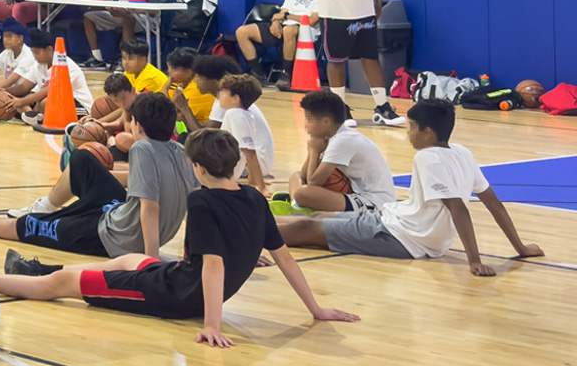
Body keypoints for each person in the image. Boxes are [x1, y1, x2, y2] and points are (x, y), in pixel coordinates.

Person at [0, 130, 358, 347]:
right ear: (235, 165)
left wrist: (211, 325)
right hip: (180, 282)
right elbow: (285, 259)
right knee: (130, 261)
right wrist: (316, 309)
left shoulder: (201, 199)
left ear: (198, 168)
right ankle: (37, 271)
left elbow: (213, 265)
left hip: (173, 295)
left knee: (61, 284)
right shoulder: (252, 196)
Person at [277, 100, 543, 274]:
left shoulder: (427, 157)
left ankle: (249, 232)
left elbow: (457, 208)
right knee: (317, 216)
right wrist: (519, 247)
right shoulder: (462, 152)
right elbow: (492, 201)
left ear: (427, 131)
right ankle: (255, 222)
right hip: (395, 219)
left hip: (402, 238)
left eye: (412, 127)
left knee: (305, 228)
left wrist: (474, 260)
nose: (408, 133)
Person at [0, 92, 192, 249]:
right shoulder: (182, 151)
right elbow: (194, 203)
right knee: (83, 158)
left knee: (31, 226)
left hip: (116, 237)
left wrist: (151, 259)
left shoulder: (141, 148)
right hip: (126, 220)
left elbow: (149, 207)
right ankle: (49, 203)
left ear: (137, 126)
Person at [282, 90, 398, 214]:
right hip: (357, 192)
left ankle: (299, 207)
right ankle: (298, 206)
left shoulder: (343, 140)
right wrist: (312, 153)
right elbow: (305, 176)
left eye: (309, 120)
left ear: (326, 121)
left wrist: (314, 151)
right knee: (296, 176)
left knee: (304, 193)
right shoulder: (334, 135)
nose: (305, 125)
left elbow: (313, 183)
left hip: (375, 202)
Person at [12, 29, 94, 128]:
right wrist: (3, 91)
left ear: (50, 50)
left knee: (44, 102)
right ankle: (33, 115)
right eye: (33, 52)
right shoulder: (38, 65)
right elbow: (23, 87)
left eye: (37, 52)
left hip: (79, 106)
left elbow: (50, 91)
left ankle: (36, 116)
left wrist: (21, 102)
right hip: (51, 104)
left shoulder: (65, 65)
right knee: (22, 99)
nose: (34, 56)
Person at [214, 74, 274, 194]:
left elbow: (250, 153)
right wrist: (253, 181)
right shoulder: (246, 115)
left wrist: (261, 187)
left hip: (221, 173)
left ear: (235, 98)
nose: (219, 95)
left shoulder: (235, 114)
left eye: (223, 92)